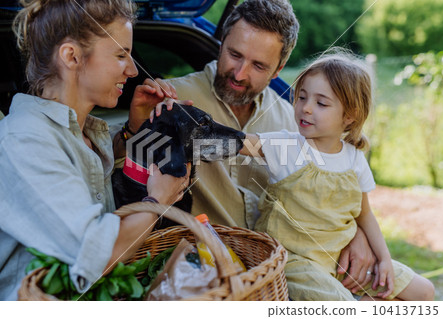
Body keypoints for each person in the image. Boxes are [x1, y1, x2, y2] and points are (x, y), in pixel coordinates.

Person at [154, 0, 377, 292]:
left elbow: (331, 192)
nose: (240, 73)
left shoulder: (294, 119)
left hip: (283, 272)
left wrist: (357, 232)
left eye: (259, 65)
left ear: (279, 69)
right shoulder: (174, 99)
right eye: (235, 54)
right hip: (203, 276)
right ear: (221, 43)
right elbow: (121, 174)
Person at [0, 0, 190, 300]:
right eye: (120, 55)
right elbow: (100, 254)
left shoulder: (81, 130)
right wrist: (160, 199)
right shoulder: (26, 139)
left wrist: (132, 130)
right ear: (72, 56)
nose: (131, 70)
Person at [239, 50, 435, 300]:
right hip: (296, 263)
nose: (306, 108)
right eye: (302, 97)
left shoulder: (354, 159)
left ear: (349, 116)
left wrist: (384, 259)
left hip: (341, 261)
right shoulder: (285, 147)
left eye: (321, 103)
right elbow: (238, 143)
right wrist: (193, 130)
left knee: (424, 291)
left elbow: (365, 215)